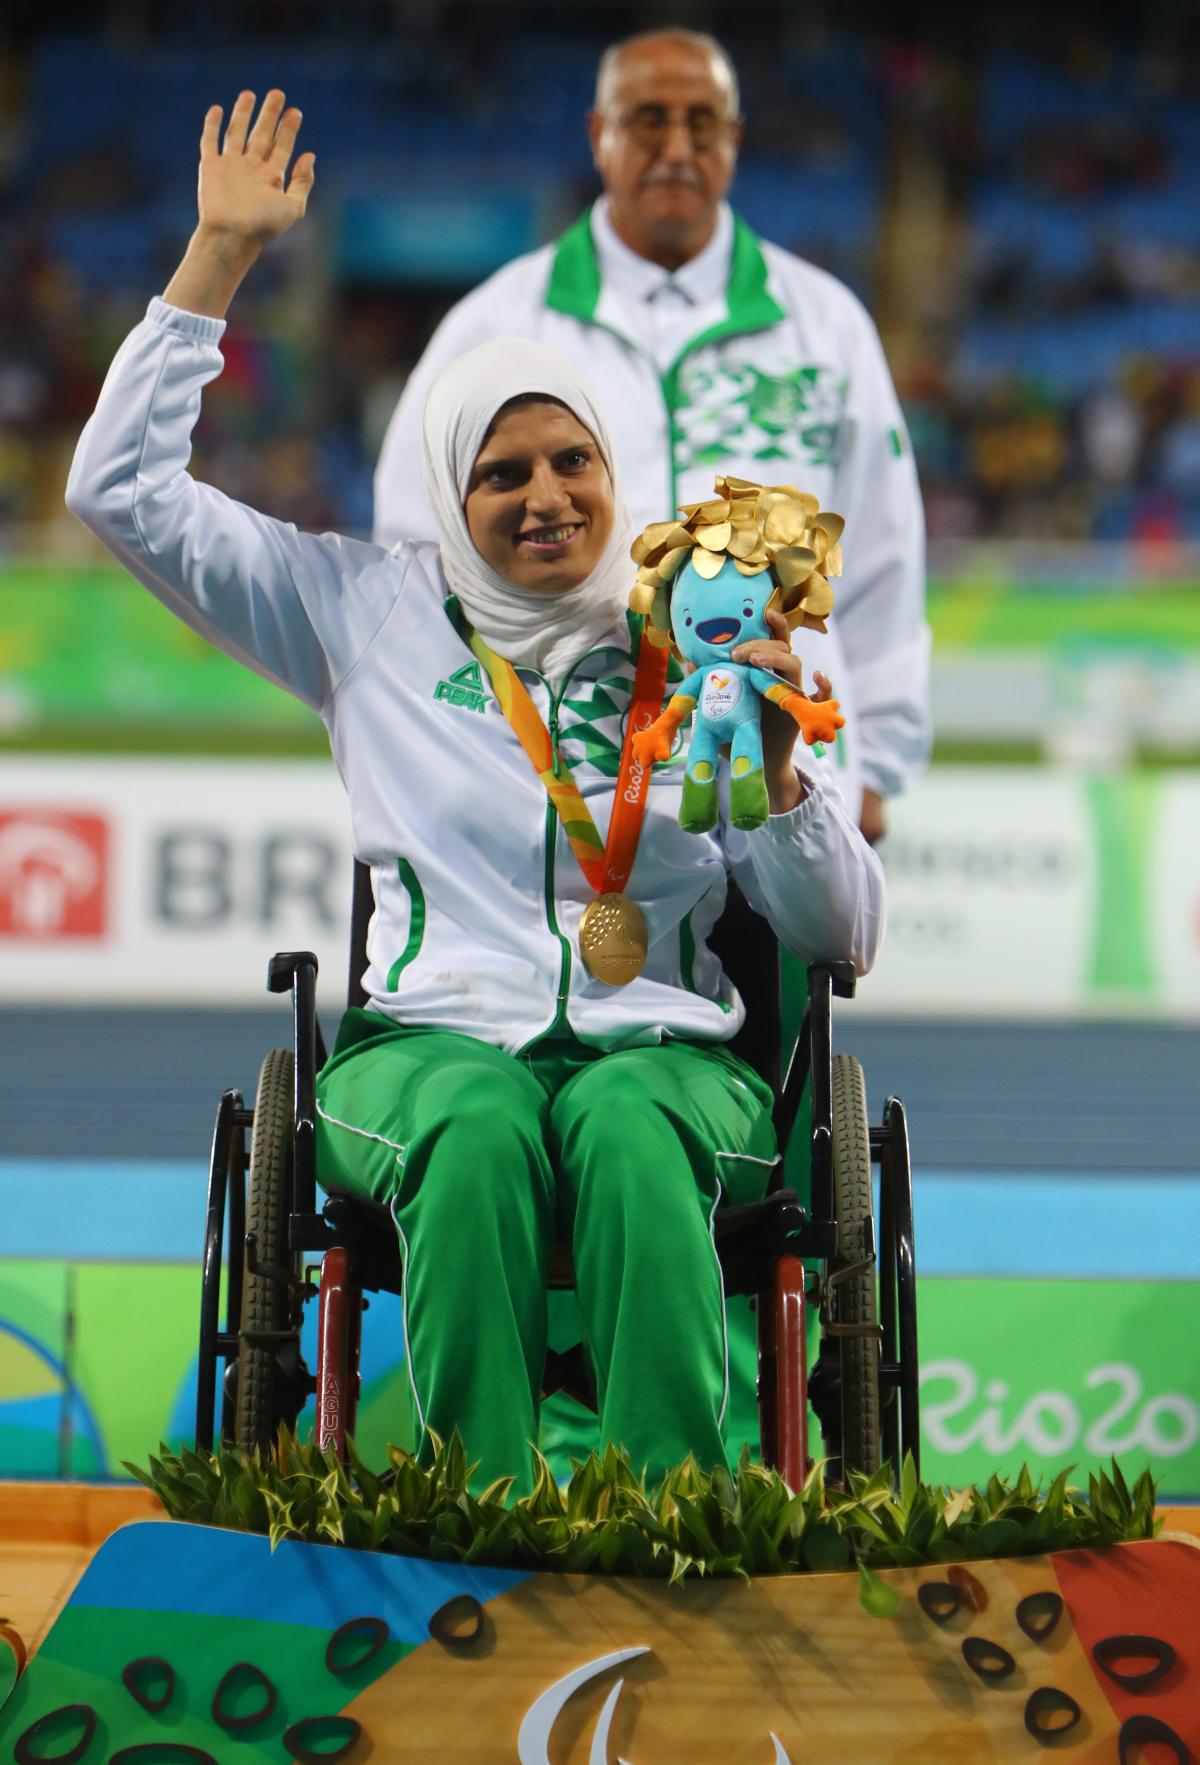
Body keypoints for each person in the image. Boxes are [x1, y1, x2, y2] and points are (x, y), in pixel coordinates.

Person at [66, 89, 886, 1495]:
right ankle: (485, 1525)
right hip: (428, 1052)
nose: (544, 496)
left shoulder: (708, 639)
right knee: (482, 1127)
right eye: (502, 472)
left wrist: (787, 775)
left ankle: (668, 1530)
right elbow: (120, 495)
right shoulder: (355, 611)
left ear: (619, 477)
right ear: (452, 489)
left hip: (671, 1060)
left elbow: (842, 936)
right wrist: (216, 261)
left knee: (628, 1134)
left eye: (573, 462)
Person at [374, 27, 930, 848]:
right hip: (559, 783)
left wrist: (876, 765)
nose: (677, 147)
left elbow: (883, 555)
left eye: (702, 123)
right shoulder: (495, 324)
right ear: (599, 137)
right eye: (647, 121)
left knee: (775, 980)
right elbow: (413, 550)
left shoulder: (827, 328)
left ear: (735, 142)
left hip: (782, 777)